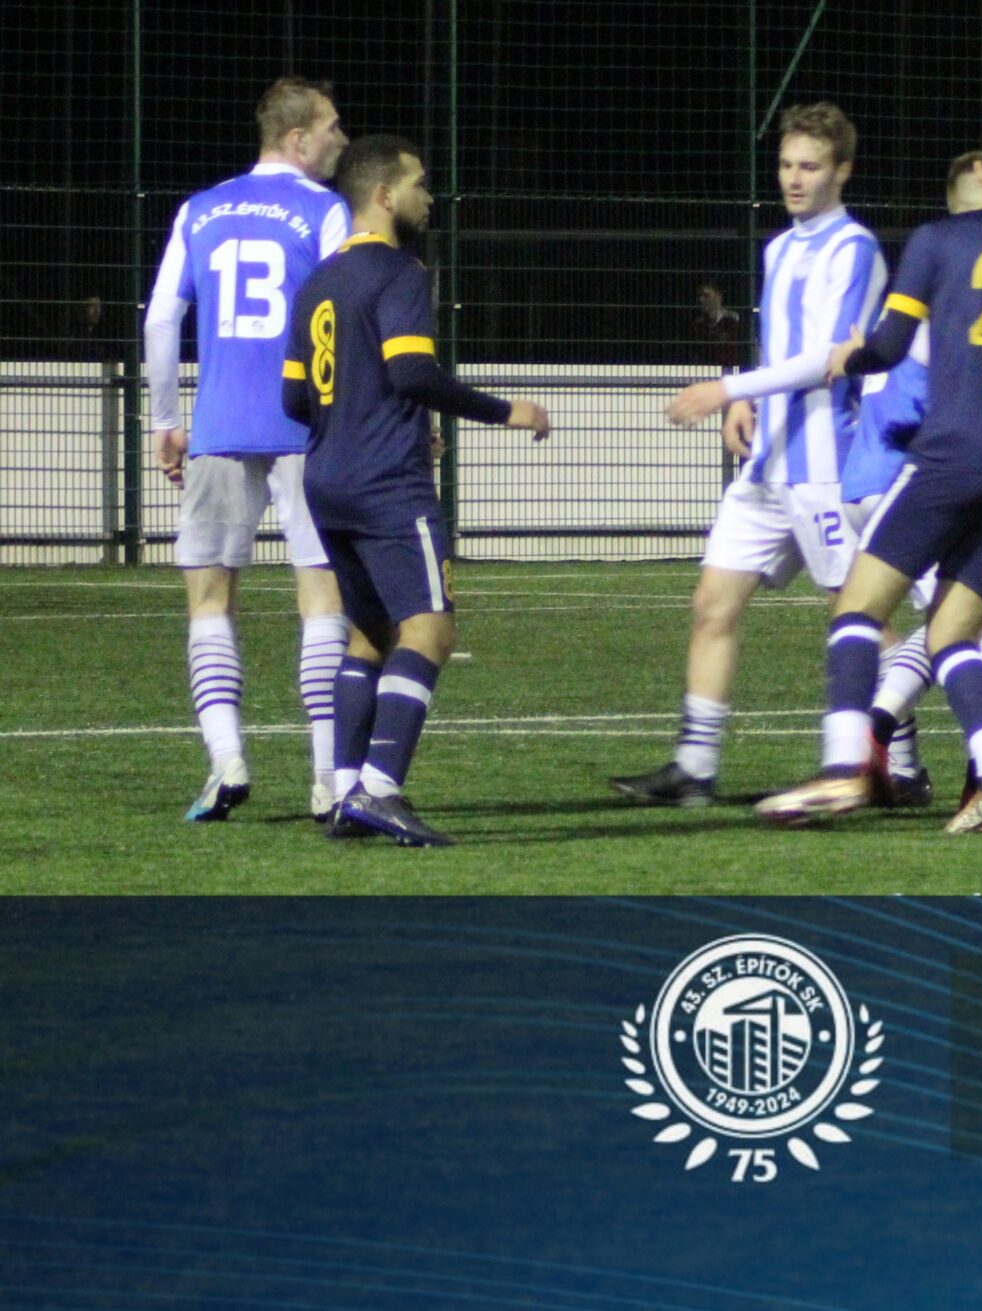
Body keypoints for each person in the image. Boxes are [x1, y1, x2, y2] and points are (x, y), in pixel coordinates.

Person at [756, 122, 982, 834]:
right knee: (950, 634)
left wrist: (850, 358)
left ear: (981, 170)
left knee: (857, 609)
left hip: (951, 456)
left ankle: (843, 771)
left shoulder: (939, 240)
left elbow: (886, 346)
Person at [610, 104, 885, 807]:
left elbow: (829, 357)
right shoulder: (780, 248)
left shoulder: (854, 249)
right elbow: (783, 349)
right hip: (767, 464)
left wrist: (726, 388)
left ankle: (896, 762)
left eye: (810, 166)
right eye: (786, 165)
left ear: (843, 170)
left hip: (825, 466)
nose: (793, 179)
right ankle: (694, 767)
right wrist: (745, 399)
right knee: (713, 603)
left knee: (858, 615)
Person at [282, 134, 550, 844]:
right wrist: (507, 411)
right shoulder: (400, 272)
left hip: (326, 479)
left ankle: (345, 791)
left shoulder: (315, 282)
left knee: (370, 632)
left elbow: (294, 399)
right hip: (387, 484)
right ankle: (380, 788)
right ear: (383, 196)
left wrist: (358, 420)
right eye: (419, 184)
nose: (428, 197)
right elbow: (411, 373)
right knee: (429, 628)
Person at [144, 76, 352, 822]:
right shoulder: (326, 211)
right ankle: (329, 779)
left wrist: (165, 419)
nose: (341, 139)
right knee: (322, 594)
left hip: (221, 425)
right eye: (331, 127)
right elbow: (343, 315)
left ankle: (227, 761)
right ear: (297, 138)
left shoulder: (199, 209)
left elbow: (162, 318)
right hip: (307, 426)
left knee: (209, 596)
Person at [838, 150, 982, 828]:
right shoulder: (968, 289)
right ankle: (979, 779)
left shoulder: (934, 274)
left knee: (951, 623)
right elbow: (933, 400)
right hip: (923, 474)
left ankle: (880, 738)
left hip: (881, 475)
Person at [685, 280, 746, 370]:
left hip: (731, 370)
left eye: (706, 295)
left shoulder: (733, 320)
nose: (701, 299)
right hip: (705, 371)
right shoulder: (697, 325)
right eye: (699, 296)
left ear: (718, 296)